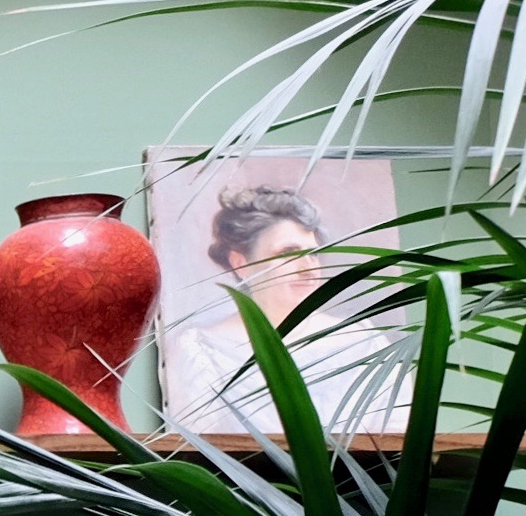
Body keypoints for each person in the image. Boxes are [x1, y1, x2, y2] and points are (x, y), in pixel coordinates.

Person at [165, 183, 395, 430]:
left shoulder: (363, 343)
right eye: (288, 253)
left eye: (313, 254)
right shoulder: (203, 351)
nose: (308, 269)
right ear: (241, 263)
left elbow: (397, 437)